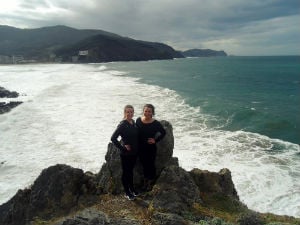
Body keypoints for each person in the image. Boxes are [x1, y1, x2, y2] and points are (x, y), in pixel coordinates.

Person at [111, 105, 139, 200]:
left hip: (134, 153)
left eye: (131, 112)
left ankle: (132, 188)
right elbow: (113, 138)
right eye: (128, 112)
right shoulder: (122, 124)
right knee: (126, 173)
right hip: (126, 154)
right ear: (124, 113)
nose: (130, 114)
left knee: (130, 172)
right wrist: (122, 148)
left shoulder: (133, 122)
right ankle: (127, 192)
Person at [136, 104, 166, 191]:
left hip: (150, 148)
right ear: (143, 111)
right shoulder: (138, 120)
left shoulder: (156, 123)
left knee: (151, 165)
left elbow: (163, 132)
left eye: (149, 111)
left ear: (152, 112)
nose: (147, 113)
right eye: (145, 111)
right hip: (140, 147)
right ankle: (145, 182)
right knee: (144, 165)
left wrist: (155, 140)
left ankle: (150, 183)